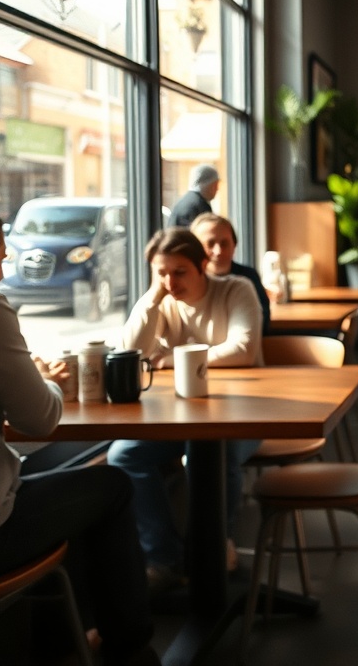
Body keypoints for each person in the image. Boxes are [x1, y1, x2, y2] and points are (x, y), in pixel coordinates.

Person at [0, 205, 159, 666]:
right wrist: (48, 382)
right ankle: (130, 647)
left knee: (67, 479)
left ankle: (68, 640)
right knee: (114, 487)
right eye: (2, 258)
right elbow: (40, 419)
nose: (1, 274)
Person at [108, 228, 263, 590]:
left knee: (213, 450)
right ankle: (165, 557)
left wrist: (171, 361)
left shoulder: (235, 290)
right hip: (179, 420)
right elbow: (130, 352)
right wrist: (151, 298)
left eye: (179, 272)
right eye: (160, 272)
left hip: (245, 415)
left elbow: (244, 351)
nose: (169, 281)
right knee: (124, 455)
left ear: (202, 266)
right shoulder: (161, 301)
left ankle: (214, 545)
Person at [190, 212, 272, 335]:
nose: (218, 251)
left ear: (234, 245)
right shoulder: (188, 281)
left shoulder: (248, 277)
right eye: (210, 244)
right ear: (195, 249)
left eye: (224, 243)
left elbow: (262, 323)